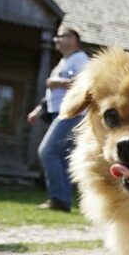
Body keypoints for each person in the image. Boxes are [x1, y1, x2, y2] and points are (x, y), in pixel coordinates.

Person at [27, 26, 89, 212]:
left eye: (62, 36)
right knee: (62, 158)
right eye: (57, 37)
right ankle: (62, 200)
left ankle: (58, 198)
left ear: (74, 39)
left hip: (73, 114)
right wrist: (38, 110)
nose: (57, 39)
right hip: (60, 112)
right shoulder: (63, 62)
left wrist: (57, 82)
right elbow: (51, 94)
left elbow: (85, 83)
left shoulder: (80, 59)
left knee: (47, 151)